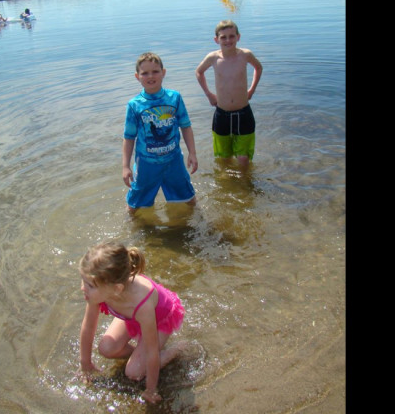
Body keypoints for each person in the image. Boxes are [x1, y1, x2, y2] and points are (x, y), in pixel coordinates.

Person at [78, 242, 186, 404]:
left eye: (90, 285)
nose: (83, 289)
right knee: (106, 349)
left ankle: (176, 350)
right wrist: (86, 364)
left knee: (134, 372)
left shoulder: (143, 304)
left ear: (116, 289)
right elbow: (88, 326)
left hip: (159, 320)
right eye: (83, 282)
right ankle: (138, 356)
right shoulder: (99, 291)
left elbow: (151, 351)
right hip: (132, 317)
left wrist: (151, 390)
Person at [122, 52, 197, 213]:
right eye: (145, 73)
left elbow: (186, 126)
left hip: (173, 160)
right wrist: (125, 166)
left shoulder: (174, 98)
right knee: (134, 205)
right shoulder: (134, 105)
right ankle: (130, 231)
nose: (151, 76)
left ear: (163, 73)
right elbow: (129, 138)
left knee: (189, 198)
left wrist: (192, 153)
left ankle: (197, 222)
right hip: (146, 164)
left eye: (155, 71)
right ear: (137, 76)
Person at [194, 20, 263, 168]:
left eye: (231, 36)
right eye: (223, 37)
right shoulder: (213, 58)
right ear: (216, 39)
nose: (227, 40)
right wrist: (209, 94)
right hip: (222, 113)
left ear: (238, 37)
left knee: (243, 158)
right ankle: (227, 182)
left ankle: (244, 186)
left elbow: (258, 67)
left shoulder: (245, 55)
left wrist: (252, 90)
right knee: (224, 158)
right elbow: (199, 72)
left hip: (243, 112)